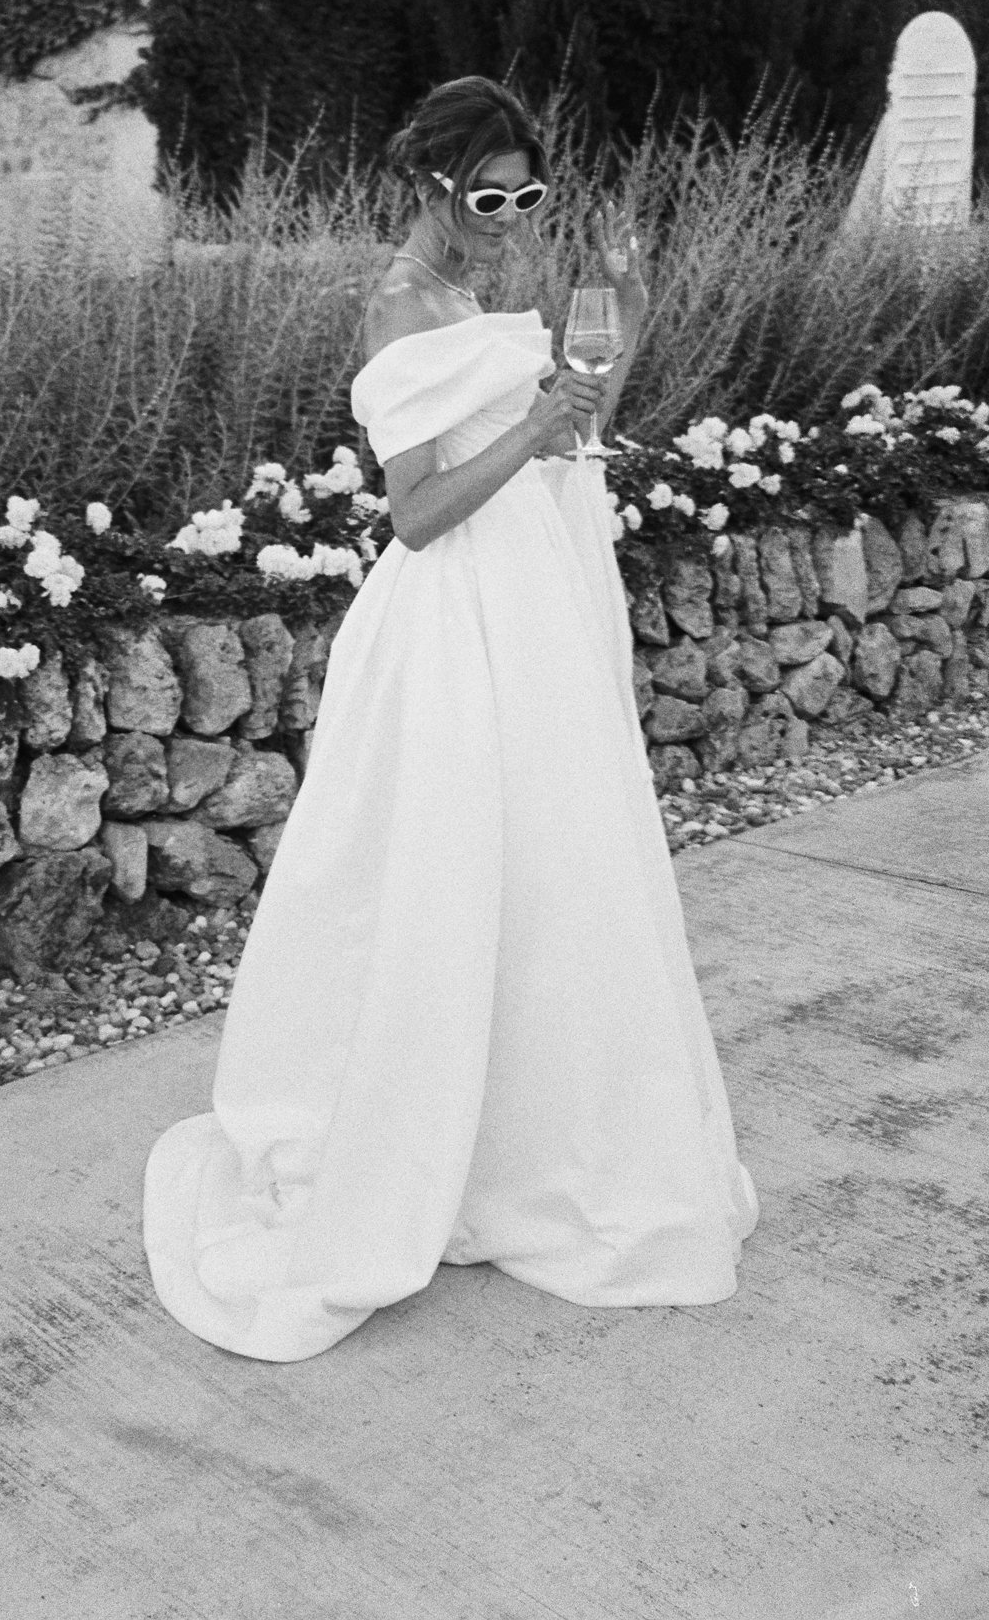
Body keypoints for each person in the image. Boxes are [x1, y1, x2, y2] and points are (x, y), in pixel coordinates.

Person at [143, 75, 758, 1363]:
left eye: (531, 195)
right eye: (491, 196)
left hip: (534, 607)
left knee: (553, 876)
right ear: (432, 184)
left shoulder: (486, 289)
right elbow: (417, 513)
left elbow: (577, 431)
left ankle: (530, 1134)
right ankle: (426, 1139)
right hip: (457, 627)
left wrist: (622, 334)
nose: (514, 216)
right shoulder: (397, 304)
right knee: (454, 876)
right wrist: (537, 423)